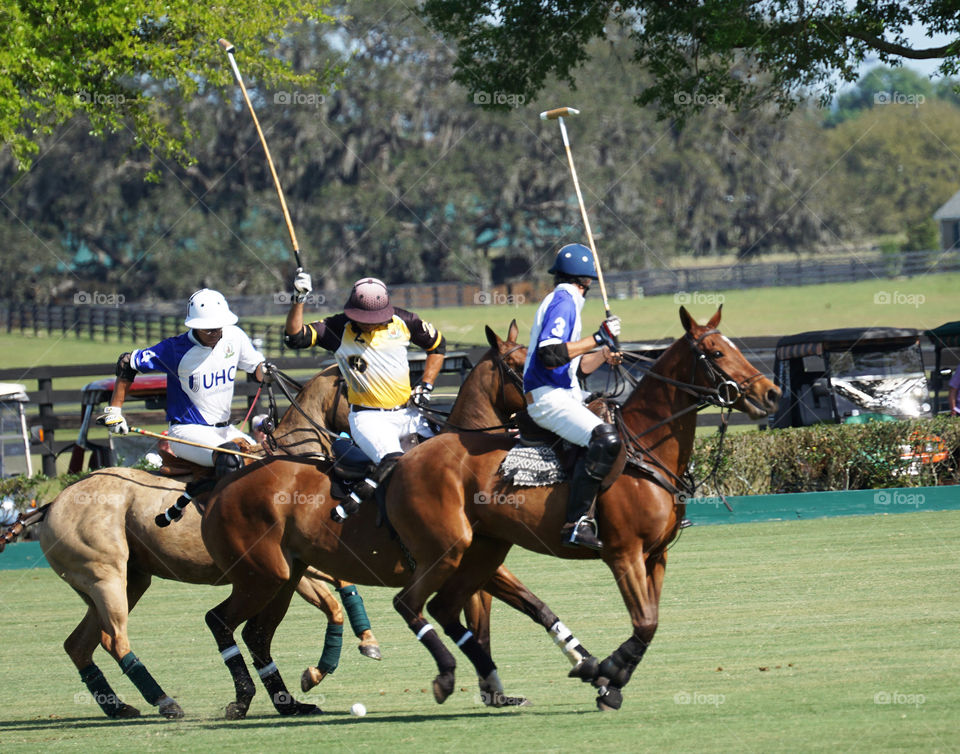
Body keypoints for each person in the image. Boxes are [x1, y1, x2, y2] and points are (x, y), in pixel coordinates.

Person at [284, 273, 445, 522]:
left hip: (410, 412)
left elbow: (437, 346)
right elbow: (295, 337)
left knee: (447, 457)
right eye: (364, 319)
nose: (370, 324)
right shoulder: (337, 328)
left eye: (375, 319)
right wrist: (299, 298)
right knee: (396, 463)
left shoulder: (405, 321)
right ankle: (388, 522)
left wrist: (426, 385)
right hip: (369, 418)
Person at [98, 288, 268, 473]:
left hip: (226, 430)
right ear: (195, 326)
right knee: (230, 460)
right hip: (187, 432)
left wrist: (266, 371)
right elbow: (127, 362)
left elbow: (257, 368)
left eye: (218, 327)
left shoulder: (235, 336)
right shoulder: (174, 349)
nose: (214, 333)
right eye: (208, 329)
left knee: (266, 459)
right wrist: (114, 411)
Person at [523, 243, 623, 550]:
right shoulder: (564, 301)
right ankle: (577, 523)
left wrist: (603, 353)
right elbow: (550, 354)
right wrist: (598, 337)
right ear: (587, 279)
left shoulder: (568, 302)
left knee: (620, 418)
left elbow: (575, 367)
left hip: (564, 392)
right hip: (547, 397)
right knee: (604, 439)